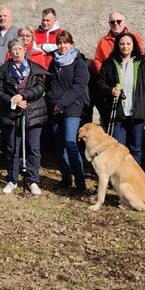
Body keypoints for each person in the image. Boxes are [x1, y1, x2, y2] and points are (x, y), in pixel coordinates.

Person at [0, 38, 48, 195]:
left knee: (33, 147)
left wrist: (23, 96)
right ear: (9, 52)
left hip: (33, 112)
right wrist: (14, 100)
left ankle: (33, 180)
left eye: (20, 48)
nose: (17, 52)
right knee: (12, 147)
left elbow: (39, 88)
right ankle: (12, 179)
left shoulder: (35, 69)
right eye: (14, 49)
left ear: (25, 50)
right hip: (11, 114)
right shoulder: (3, 71)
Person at [96, 32, 145, 165]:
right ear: (117, 45)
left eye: (128, 44)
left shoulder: (142, 63)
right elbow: (100, 84)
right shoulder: (109, 63)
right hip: (118, 112)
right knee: (118, 146)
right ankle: (118, 175)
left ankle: (134, 176)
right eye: (122, 44)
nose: (125, 46)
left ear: (133, 45)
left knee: (136, 147)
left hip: (137, 111)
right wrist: (110, 90)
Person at [46, 30, 89, 195]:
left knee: (70, 144)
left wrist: (62, 103)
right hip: (56, 110)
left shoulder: (79, 62)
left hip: (72, 109)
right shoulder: (54, 62)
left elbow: (79, 86)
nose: (62, 46)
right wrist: (53, 104)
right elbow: (49, 85)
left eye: (65, 43)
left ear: (71, 44)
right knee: (58, 146)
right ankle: (66, 178)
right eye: (59, 43)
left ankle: (80, 183)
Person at [0, 6, 18, 151]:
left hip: (8, 79)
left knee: (7, 112)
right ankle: (0, 141)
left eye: (5, 16)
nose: (2, 18)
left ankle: (9, 144)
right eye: (0, 16)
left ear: (11, 17)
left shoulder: (15, 33)